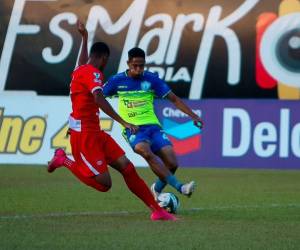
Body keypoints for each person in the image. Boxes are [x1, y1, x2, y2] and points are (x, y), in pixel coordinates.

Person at [47, 21, 176, 221]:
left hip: (95, 132)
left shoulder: (79, 70)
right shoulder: (94, 73)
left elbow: (82, 62)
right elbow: (99, 98)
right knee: (104, 184)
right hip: (84, 136)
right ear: (104, 58)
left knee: (127, 167)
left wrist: (84, 37)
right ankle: (63, 160)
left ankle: (157, 210)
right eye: (106, 60)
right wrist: (124, 123)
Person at [77, 24, 204, 201]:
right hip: (133, 128)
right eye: (135, 66)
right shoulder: (116, 81)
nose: (138, 70)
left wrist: (194, 116)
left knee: (172, 163)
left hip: (153, 126)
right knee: (144, 151)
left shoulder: (151, 79)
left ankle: (157, 189)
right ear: (128, 63)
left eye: (141, 66)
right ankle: (181, 187)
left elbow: (173, 99)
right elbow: (96, 97)